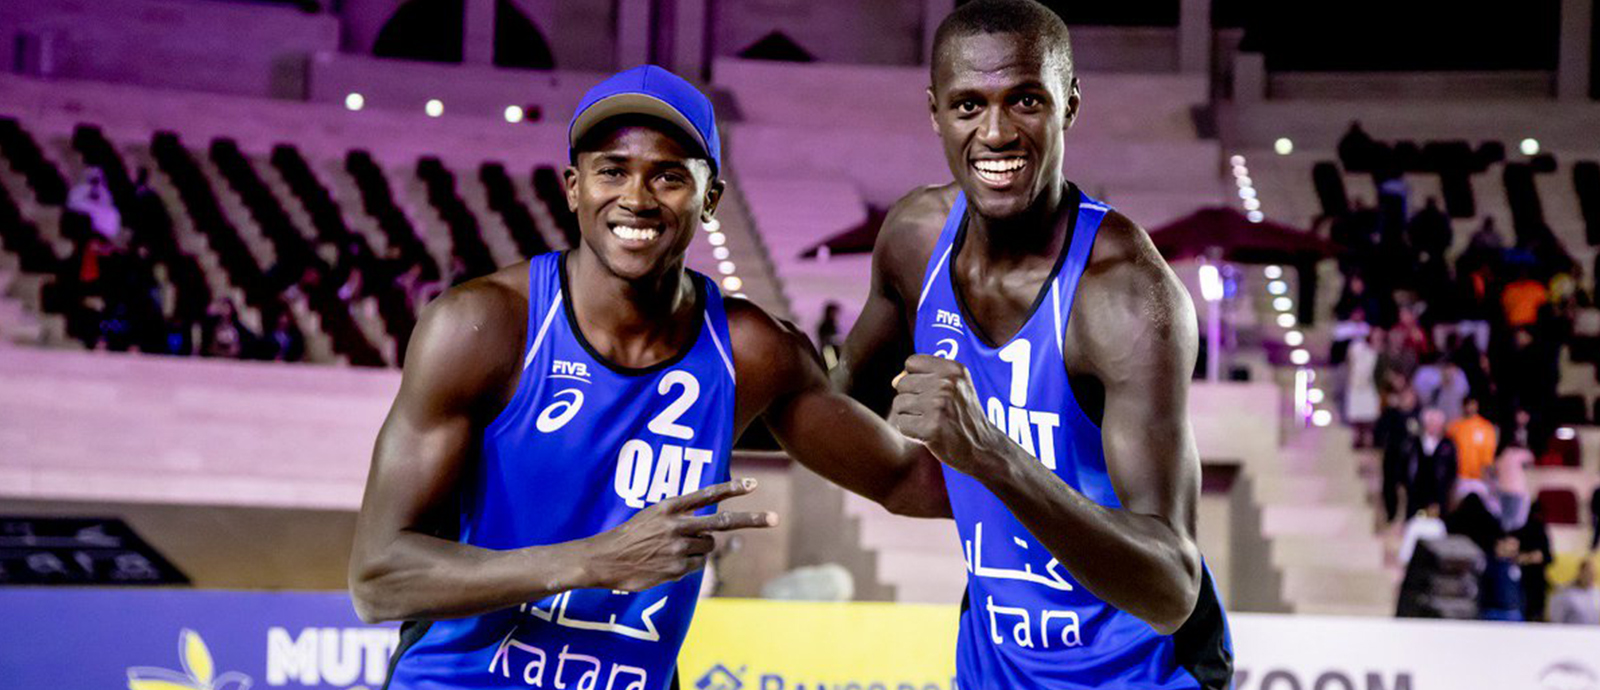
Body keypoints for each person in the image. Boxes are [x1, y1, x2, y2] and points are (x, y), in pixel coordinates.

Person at [349, 66, 948, 690]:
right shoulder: (483, 327)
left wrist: (1036, 477)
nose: (636, 197)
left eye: (668, 175)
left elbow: (905, 479)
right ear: (573, 187)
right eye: (612, 170)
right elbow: (379, 579)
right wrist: (596, 560)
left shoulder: (750, 350)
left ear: (710, 197)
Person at [831, 2, 1230, 686]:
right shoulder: (915, 240)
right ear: (935, 112)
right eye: (967, 106)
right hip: (997, 663)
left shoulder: (1130, 297)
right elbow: (842, 407)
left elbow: (1171, 588)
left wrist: (987, 457)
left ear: (1068, 106)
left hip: (1140, 670)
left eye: (1024, 100)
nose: (995, 132)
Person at [1549, 559, 1600, 625]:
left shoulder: (1597, 593)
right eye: (1588, 573)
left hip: (1592, 632)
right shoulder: (1566, 593)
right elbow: (1557, 618)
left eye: (1593, 574)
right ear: (1580, 573)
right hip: (1571, 632)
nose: (1591, 576)